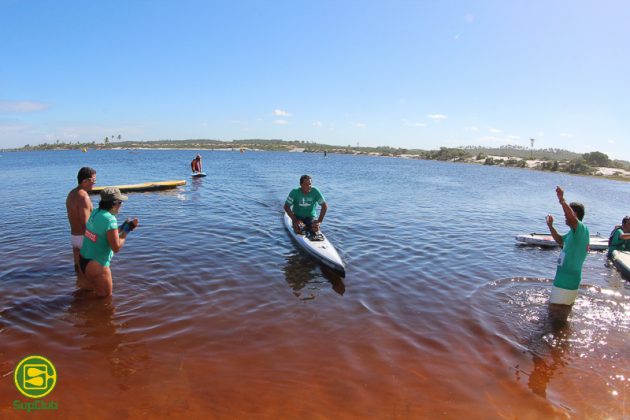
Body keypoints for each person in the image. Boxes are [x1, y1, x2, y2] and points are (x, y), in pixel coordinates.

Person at [79, 187, 138, 297]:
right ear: (113, 204)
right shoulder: (110, 219)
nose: (121, 205)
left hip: (83, 260)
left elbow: (103, 232)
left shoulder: (96, 212)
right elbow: (116, 247)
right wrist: (126, 230)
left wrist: (121, 227)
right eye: (120, 202)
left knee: (88, 295)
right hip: (97, 265)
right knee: (105, 301)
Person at [545, 186, 589, 307]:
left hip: (567, 283)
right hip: (562, 282)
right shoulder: (572, 233)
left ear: (576, 215)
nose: (565, 215)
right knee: (556, 315)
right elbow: (560, 240)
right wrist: (550, 226)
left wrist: (562, 200)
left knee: (556, 317)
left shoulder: (581, 229)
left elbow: (571, 218)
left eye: (568, 212)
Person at [66, 167, 96, 289]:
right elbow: (86, 223)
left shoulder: (71, 194)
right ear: (85, 181)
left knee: (79, 271)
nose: (95, 183)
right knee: (91, 273)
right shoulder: (84, 196)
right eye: (94, 180)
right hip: (84, 239)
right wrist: (97, 239)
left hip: (74, 237)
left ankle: (79, 293)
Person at [284, 175, 327, 241]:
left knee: (315, 228)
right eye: (306, 184)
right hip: (297, 216)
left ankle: (311, 231)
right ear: (301, 184)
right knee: (299, 230)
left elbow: (324, 206)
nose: (308, 186)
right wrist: (295, 220)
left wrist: (319, 221)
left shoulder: (315, 191)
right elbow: (286, 206)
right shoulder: (295, 192)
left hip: (310, 217)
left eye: (310, 184)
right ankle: (303, 229)